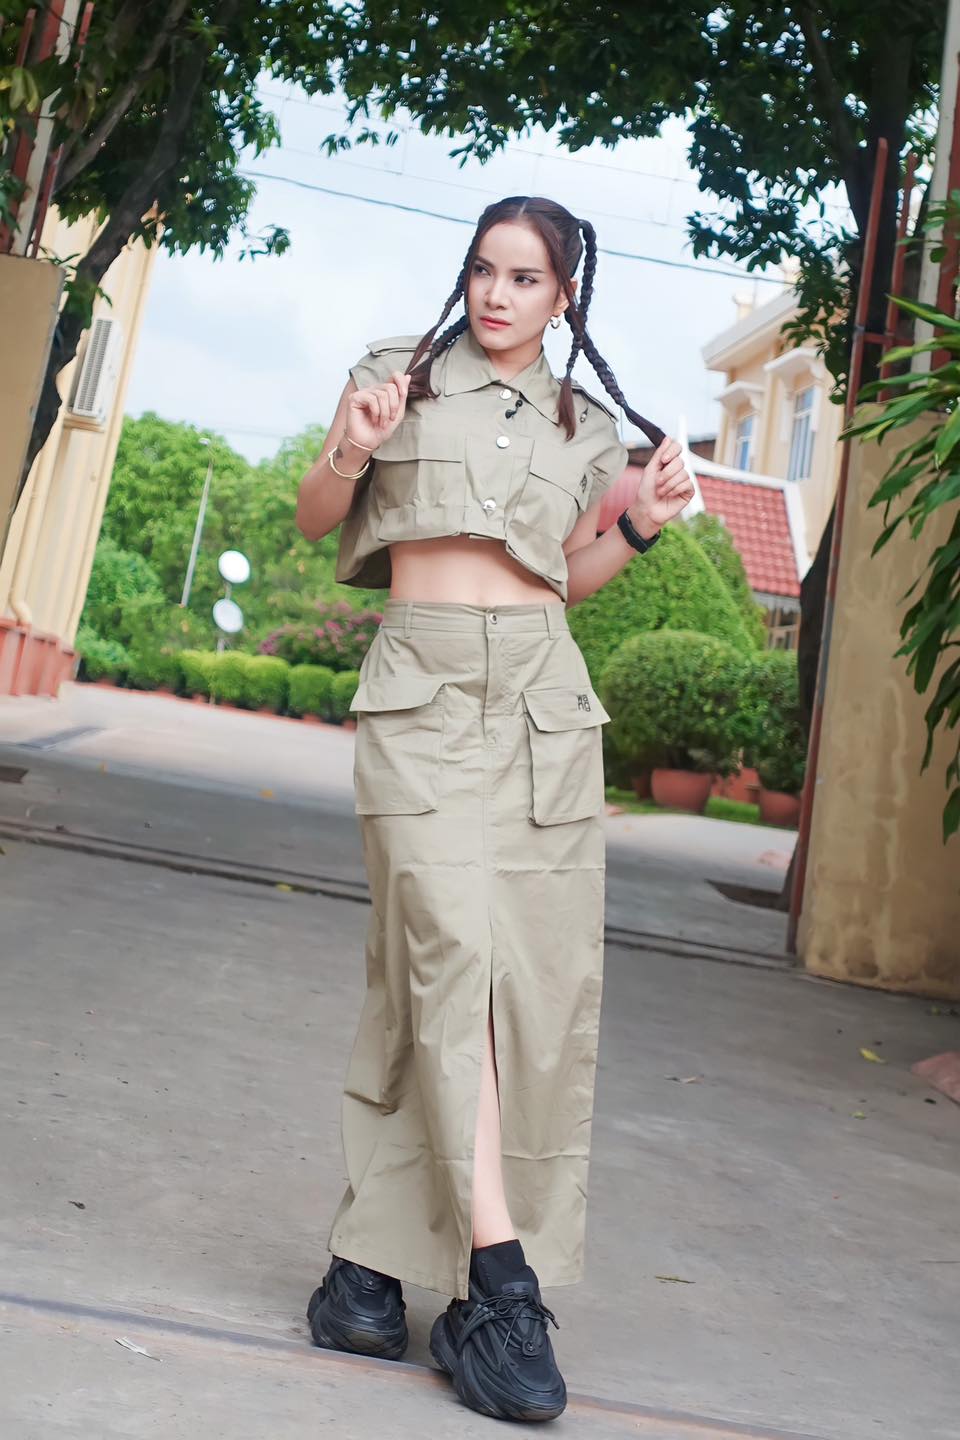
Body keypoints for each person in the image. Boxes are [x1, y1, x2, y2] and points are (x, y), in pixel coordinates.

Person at [295, 194, 694, 1423]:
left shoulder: (590, 428)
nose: (497, 293)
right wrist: (354, 446)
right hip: (419, 690)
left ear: (564, 296)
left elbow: (563, 578)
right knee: (449, 956)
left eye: (525, 278)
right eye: (483, 269)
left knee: (517, 985)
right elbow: (316, 518)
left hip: (540, 701)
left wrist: (640, 522)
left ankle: (365, 1272)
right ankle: (497, 1281)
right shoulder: (397, 374)